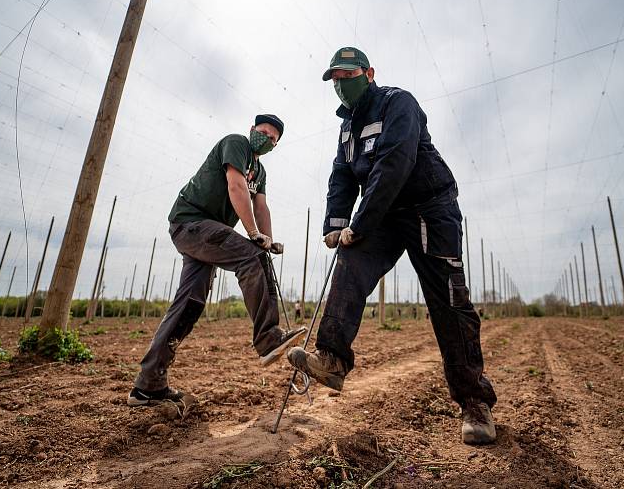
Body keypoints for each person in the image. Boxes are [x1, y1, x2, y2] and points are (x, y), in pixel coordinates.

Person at [286, 47, 497, 445]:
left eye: (347, 75)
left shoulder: (398, 103)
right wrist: (335, 225)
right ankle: (332, 359)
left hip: (428, 208)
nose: (341, 84)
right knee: (350, 259)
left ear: (368, 73)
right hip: (385, 213)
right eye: (334, 78)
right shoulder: (347, 127)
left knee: (448, 301)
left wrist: (360, 222)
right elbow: (342, 176)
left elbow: (394, 164)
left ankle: (474, 401)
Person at [129, 114, 305, 406]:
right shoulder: (236, 144)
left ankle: (148, 385)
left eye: (273, 139)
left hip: (206, 236)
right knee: (251, 256)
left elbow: (260, 207)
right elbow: (236, 188)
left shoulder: (259, 172)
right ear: (252, 130)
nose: (267, 139)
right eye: (263, 132)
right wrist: (253, 235)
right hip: (192, 223)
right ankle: (268, 338)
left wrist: (268, 239)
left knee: (190, 304)